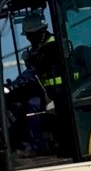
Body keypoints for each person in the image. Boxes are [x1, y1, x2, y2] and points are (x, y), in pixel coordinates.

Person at [6, 14, 65, 153]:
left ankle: (34, 146)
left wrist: (13, 85)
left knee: (33, 104)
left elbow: (36, 70)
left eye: (29, 34)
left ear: (40, 31)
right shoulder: (40, 46)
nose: (27, 38)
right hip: (46, 90)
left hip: (59, 92)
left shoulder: (51, 46)